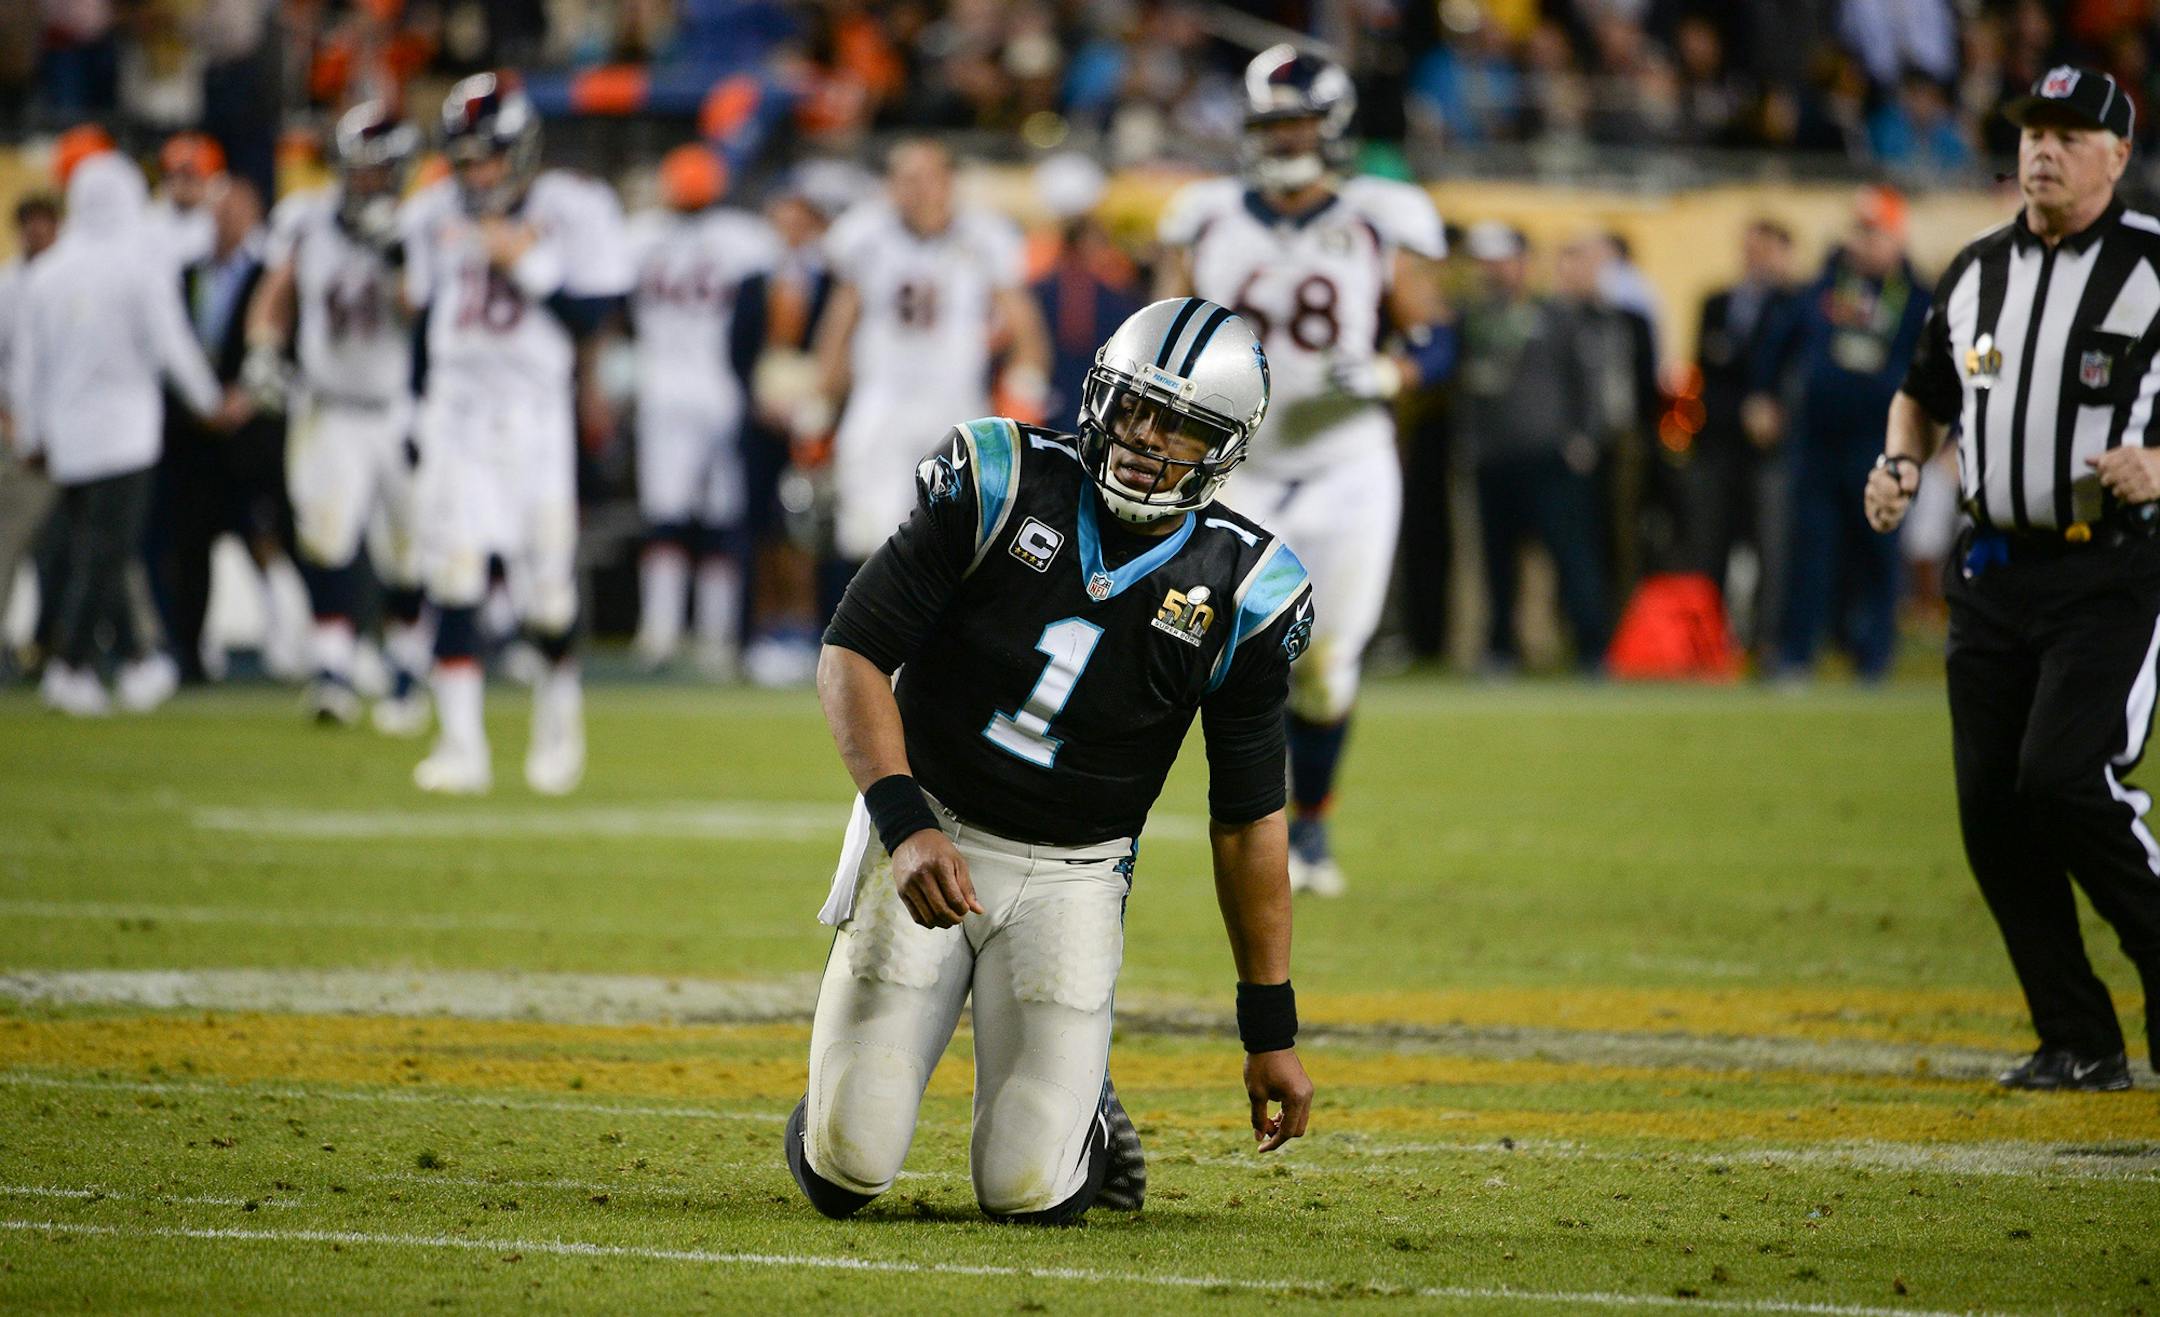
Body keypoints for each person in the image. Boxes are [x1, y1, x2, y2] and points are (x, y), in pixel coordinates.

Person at [788, 298, 1314, 1224]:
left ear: (1226, 447)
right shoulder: (1000, 477)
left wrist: (1268, 1026)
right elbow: (853, 650)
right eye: (1134, 405)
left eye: (1179, 422)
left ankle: (1090, 1121)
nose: (1145, 436)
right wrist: (902, 824)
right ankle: (860, 1091)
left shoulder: (1247, 591)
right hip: (929, 826)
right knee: (847, 1166)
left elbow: (1247, 823)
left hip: (1073, 874)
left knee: (1026, 1189)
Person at [1868, 65, 2160, 1091]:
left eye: (2070, 133)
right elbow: (1921, 394)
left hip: (2110, 567)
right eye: (2034, 128)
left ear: (2117, 156)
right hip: (1991, 570)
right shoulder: (1975, 269)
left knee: (2069, 779)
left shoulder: (2155, 267)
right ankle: (2077, 1034)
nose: (2042, 147)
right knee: (1991, 809)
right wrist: (1902, 459)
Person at [1156, 44, 1452, 897]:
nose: (1282, 138)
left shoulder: (1379, 216)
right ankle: (1195, 812)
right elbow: (1164, 325)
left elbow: (1436, 336)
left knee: (1326, 661)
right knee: (1194, 649)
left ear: (1334, 129)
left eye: (1296, 122)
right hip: (1231, 466)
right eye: (1269, 123)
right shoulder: (1204, 216)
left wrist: (1395, 372)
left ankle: (1311, 827)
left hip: (1346, 461)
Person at [400, 72, 632, 794]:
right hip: (456, 412)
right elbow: (424, 316)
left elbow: (594, 317)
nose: (476, 173)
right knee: (454, 573)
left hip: (534, 417)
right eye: (464, 158)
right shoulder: (433, 211)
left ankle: (560, 720)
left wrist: (525, 261)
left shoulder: (575, 207)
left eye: (488, 156)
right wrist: (415, 406)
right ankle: (461, 745)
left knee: (548, 595)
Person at [10, 154, 229, 714]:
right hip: (126, 434)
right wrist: (208, 400)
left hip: (66, 436)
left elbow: (29, 366)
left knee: (98, 552)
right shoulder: (138, 267)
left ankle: (137, 661)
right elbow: (171, 343)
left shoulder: (48, 272)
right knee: (105, 556)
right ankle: (73, 666)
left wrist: (31, 433)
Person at [802, 138, 1051, 620]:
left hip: (954, 402)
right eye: (905, 178)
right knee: (869, 528)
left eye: (927, 177)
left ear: (949, 181)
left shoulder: (985, 235)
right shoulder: (865, 235)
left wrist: (1026, 387)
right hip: (882, 399)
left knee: (960, 531)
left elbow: (1025, 324)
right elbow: (840, 321)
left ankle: (943, 649)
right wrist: (819, 402)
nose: (917, 190)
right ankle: (869, 639)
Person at [244, 101, 428, 730]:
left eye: (381, 171)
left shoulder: (419, 227)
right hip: (328, 406)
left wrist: (400, 256)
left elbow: (424, 311)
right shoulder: (308, 219)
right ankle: (332, 671)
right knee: (328, 538)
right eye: (360, 169)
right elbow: (276, 293)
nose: (369, 182)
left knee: (409, 549)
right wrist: (264, 349)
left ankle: (406, 669)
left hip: (398, 407)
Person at [1754, 185, 1931, 683]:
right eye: (1859, 230)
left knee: (1878, 551)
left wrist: (1945, 435)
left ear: (1897, 237)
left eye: (1874, 231)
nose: (1863, 241)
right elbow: (1778, 343)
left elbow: (1940, 371)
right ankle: (1796, 654)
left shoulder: (1918, 299)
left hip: (1882, 443)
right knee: (1809, 550)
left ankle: (1874, 657)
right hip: (1817, 442)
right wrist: (1764, 395)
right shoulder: (1825, 286)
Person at [626, 144, 782, 677]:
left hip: (661, 386)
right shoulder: (742, 238)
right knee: (716, 517)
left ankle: (661, 630)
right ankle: (710, 636)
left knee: (668, 517)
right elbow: (760, 314)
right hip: (717, 386)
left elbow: (617, 313)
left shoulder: (641, 235)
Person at [158, 175, 306, 687]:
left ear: (253, 217)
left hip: (253, 436)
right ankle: (190, 657)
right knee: (190, 553)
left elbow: (289, 348)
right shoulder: (186, 274)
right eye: (217, 213)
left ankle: (293, 643)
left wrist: (247, 398)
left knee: (269, 540)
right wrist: (200, 406)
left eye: (233, 212)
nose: (223, 222)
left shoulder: (272, 277)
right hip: (195, 439)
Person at [1458, 222, 1613, 672]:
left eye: (1500, 260)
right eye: (1486, 262)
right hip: (1493, 457)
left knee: (1572, 556)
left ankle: (1591, 650)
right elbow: (1466, 391)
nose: (1492, 270)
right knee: (1497, 565)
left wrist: (1584, 436)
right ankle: (1501, 649)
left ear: (1523, 263)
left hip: (1549, 457)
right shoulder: (1475, 318)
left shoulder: (1556, 315)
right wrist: (1470, 444)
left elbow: (1586, 379)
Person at [1689, 219, 1797, 653]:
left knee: (1772, 549)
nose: (1756, 258)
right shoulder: (1717, 303)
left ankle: (1768, 644)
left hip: (1774, 449)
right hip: (1720, 445)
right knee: (1711, 545)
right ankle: (1706, 645)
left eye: (1766, 249)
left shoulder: (1798, 305)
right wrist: (1744, 410)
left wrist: (1774, 412)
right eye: (1750, 248)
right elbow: (1705, 376)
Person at [0, 195, 61, 671]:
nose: (36, 232)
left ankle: (64, 645)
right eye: (29, 224)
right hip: (17, 436)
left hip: (74, 437)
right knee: (11, 543)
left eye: (44, 223)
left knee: (90, 548)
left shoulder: (71, 277)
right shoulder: (7, 285)